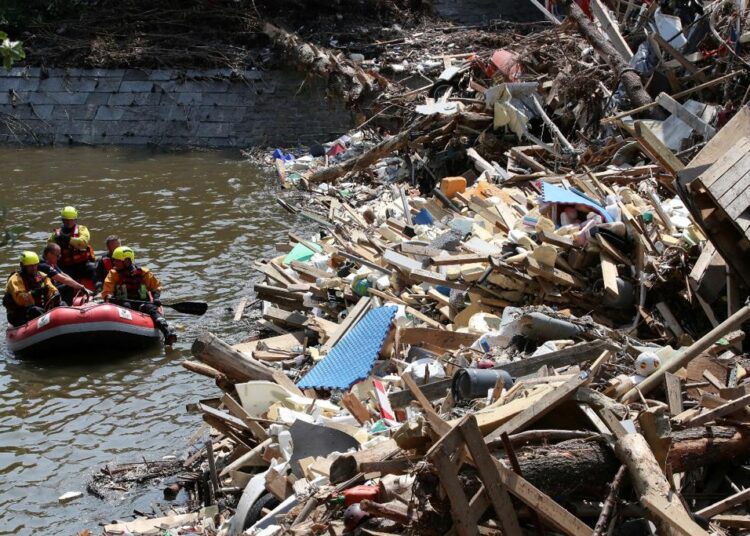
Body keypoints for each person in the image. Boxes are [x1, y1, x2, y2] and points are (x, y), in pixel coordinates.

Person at [98, 246, 177, 345]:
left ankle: (168, 333)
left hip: (142, 303)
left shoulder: (143, 273)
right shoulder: (113, 274)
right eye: (114, 260)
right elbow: (106, 291)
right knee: (126, 307)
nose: (114, 263)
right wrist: (109, 297)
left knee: (152, 309)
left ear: (126, 261)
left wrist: (156, 298)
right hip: (123, 303)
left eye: (117, 261)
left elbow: (156, 287)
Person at [3, 251, 59, 327]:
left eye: (35, 265)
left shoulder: (39, 276)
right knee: (35, 310)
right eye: (30, 266)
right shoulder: (15, 279)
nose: (34, 268)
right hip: (19, 314)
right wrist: (32, 293)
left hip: (38, 308)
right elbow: (20, 299)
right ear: (23, 266)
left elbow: (50, 287)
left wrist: (54, 292)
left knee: (61, 302)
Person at [48, 206, 96, 283]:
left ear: (75, 219)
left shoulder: (82, 229)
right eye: (66, 220)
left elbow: (83, 243)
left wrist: (67, 239)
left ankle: (99, 290)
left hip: (82, 264)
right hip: (66, 266)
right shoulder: (56, 234)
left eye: (71, 220)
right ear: (63, 220)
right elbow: (49, 249)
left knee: (94, 269)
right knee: (59, 279)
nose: (69, 222)